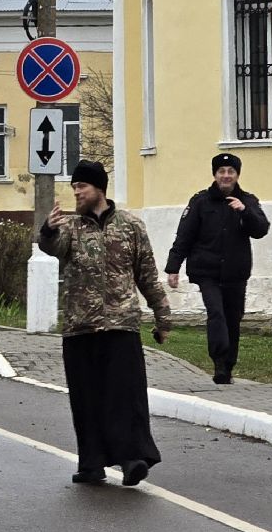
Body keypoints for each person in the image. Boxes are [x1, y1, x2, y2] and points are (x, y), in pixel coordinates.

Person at [39, 159, 172, 487]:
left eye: (80, 186)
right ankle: (91, 464)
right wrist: (48, 228)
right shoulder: (70, 228)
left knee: (125, 396)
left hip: (121, 325)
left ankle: (132, 460)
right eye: (73, 187)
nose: (76, 193)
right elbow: (52, 248)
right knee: (86, 398)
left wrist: (162, 315)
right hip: (80, 327)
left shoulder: (131, 226)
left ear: (98, 188)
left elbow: (147, 275)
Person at [163, 153, 269, 384]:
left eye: (230, 171)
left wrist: (244, 211)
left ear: (237, 175)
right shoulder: (200, 201)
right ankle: (219, 361)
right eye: (221, 171)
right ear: (215, 175)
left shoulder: (248, 200)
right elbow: (185, 235)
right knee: (216, 313)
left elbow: (261, 229)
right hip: (206, 271)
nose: (226, 176)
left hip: (235, 272)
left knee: (233, 317)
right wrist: (173, 267)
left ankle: (228, 366)